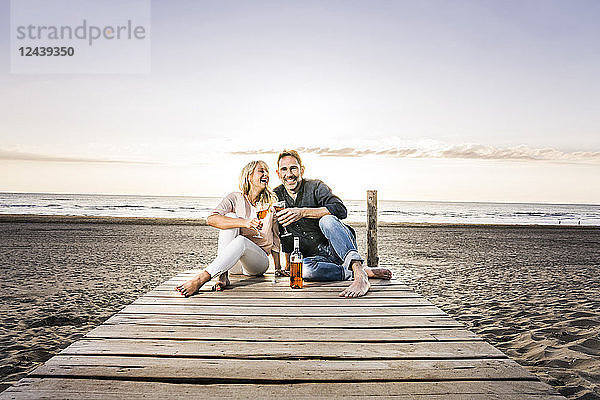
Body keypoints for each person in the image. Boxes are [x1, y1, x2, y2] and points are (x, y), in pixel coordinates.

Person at [273, 150, 391, 298]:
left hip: (338, 248)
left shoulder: (316, 186)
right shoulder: (276, 195)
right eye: (284, 169)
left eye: (293, 168)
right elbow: (285, 233)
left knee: (327, 220)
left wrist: (302, 212)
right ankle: (354, 271)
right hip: (316, 259)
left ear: (301, 170)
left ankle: (360, 274)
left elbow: (340, 210)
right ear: (278, 173)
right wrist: (287, 266)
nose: (289, 174)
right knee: (303, 270)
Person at [176, 160, 281, 297]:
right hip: (233, 263)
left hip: (257, 263)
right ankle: (222, 276)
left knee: (242, 240)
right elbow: (212, 219)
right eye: (261, 171)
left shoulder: (270, 203)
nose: (266, 174)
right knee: (230, 217)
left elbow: (275, 237)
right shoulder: (235, 198)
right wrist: (244, 222)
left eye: (267, 171)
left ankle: (201, 278)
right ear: (249, 176)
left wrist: (278, 268)